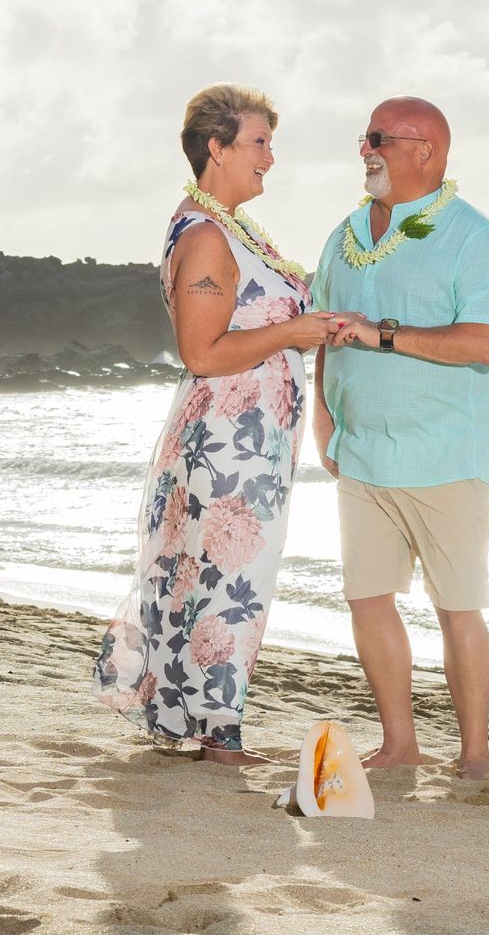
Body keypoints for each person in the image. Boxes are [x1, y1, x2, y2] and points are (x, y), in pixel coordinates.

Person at [93, 85, 336, 765]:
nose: (270, 158)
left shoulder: (229, 228)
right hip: (228, 441)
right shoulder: (204, 236)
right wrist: (294, 330)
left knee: (212, 573)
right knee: (230, 577)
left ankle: (196, 722)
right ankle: (216, 733)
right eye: (258, 143)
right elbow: (201, 352)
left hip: (250, 436)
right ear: (217, 149)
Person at [311, 96, 489, 780]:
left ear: (425, 150)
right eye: (364, 137)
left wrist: (386, 332)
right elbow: (322, 332)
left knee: (457, 606)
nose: (366, 149)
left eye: (380, 138)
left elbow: (486, 344)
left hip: (447, 453)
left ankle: (475, 756)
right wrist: (323, 416)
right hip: (363, 450)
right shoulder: (344, 235)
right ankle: (400, 745)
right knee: (367, 598)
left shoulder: (474, 236)